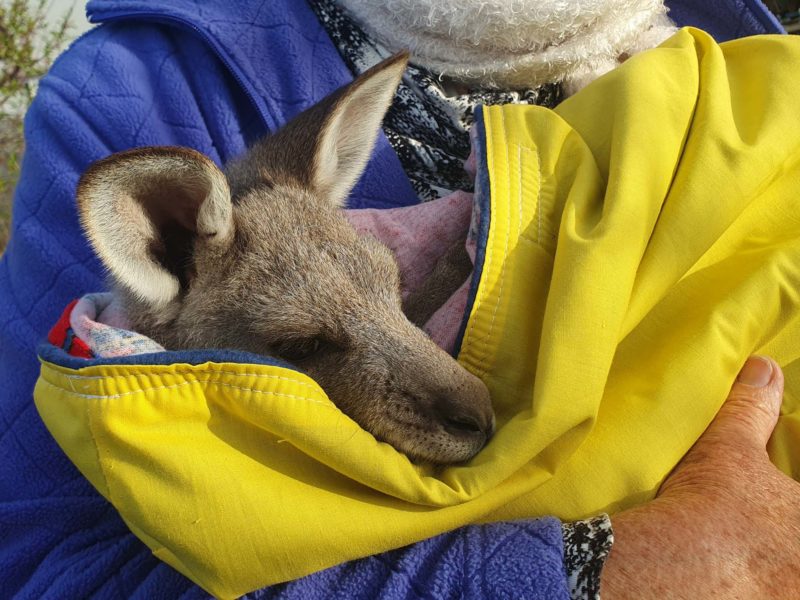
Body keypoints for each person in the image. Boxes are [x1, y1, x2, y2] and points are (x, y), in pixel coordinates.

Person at [0, 0, 795, 598]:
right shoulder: (146, 87)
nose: (465, 402)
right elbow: (58, 564)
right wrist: (593, 571)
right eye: (306, 345)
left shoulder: (744, 65)